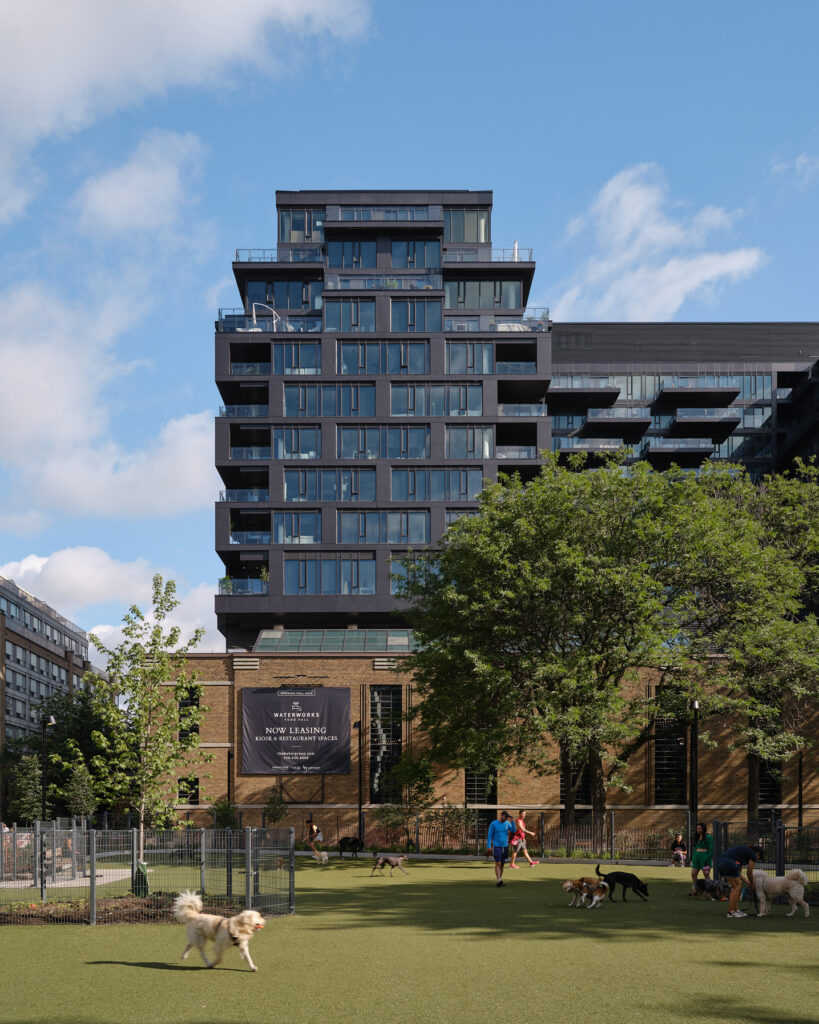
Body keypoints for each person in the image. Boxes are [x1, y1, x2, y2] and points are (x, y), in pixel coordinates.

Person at [717, 843, 762, 918]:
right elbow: (749, 872)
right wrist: (752, 884)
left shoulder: (743, 853)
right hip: (729, 863)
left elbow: (739, 873)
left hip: (721, 863)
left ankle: (736, 910)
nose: (757, 859)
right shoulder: (752, 854)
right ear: (757, 853)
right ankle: (731, 912)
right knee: (736, 887)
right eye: (759, 857)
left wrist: (748, 882)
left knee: (737, 886)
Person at [486, 811, 516, 887]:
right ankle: (499, 880)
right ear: (502, 815)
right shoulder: (494, 823)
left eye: (507, 817)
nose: (506, 818)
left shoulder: (507, 823)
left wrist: (512, 822)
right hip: (497, 846)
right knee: (498, 863)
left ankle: (499, 880)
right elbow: (489, 835)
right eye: (506, 817)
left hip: (505, 846)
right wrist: (489, 846)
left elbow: (513, 831)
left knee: (502, 864)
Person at [690, 822, 714, 892]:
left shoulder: (708, 837)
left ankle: (711, 890)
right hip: (697, 858)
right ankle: (696, 889)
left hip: (705, 859)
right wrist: (693, 856)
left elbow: (711, 849)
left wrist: (708, 858)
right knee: (693, 874)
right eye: (697, 828)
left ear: (704, 829)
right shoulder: (696, 837)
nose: (698, 830)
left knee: (706, 874)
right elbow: (695, 847)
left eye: (700, 828)